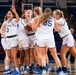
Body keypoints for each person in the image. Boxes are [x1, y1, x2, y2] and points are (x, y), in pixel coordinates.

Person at [31, 8, 64, 75]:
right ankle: (60, 70)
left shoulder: (40, 18)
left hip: (41, 38)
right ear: (51, 13)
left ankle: (43, 70)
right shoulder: (53, 19)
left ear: (44, 12)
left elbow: (34, 28)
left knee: (42, 55)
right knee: (55, 56)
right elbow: (56, 29)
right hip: (50, 38)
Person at [53, 9, 76, 74]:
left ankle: (64, 69)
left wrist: (49, 18)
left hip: (67, 38)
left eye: (53, 14)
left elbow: (54, 23)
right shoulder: (59, 20)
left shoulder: (61, 20)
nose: (53, 16)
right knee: (74, 54)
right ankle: (64, 69)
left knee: (62, 54)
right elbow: (55, 29)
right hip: (67, 38)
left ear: (58, 15)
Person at [1, 6, 20, 75]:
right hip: (7, 39)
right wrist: (4, 35)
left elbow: (18, 18)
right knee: (9, 56)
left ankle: (17, 69)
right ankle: (17, 66)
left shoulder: (14, 21)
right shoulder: (5, 22)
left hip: (13, 38)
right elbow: (1, 30)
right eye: (8, 14)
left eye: (10, 14)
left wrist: (14, 11)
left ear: (12, 15)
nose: (8, 15)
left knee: (14, 55)